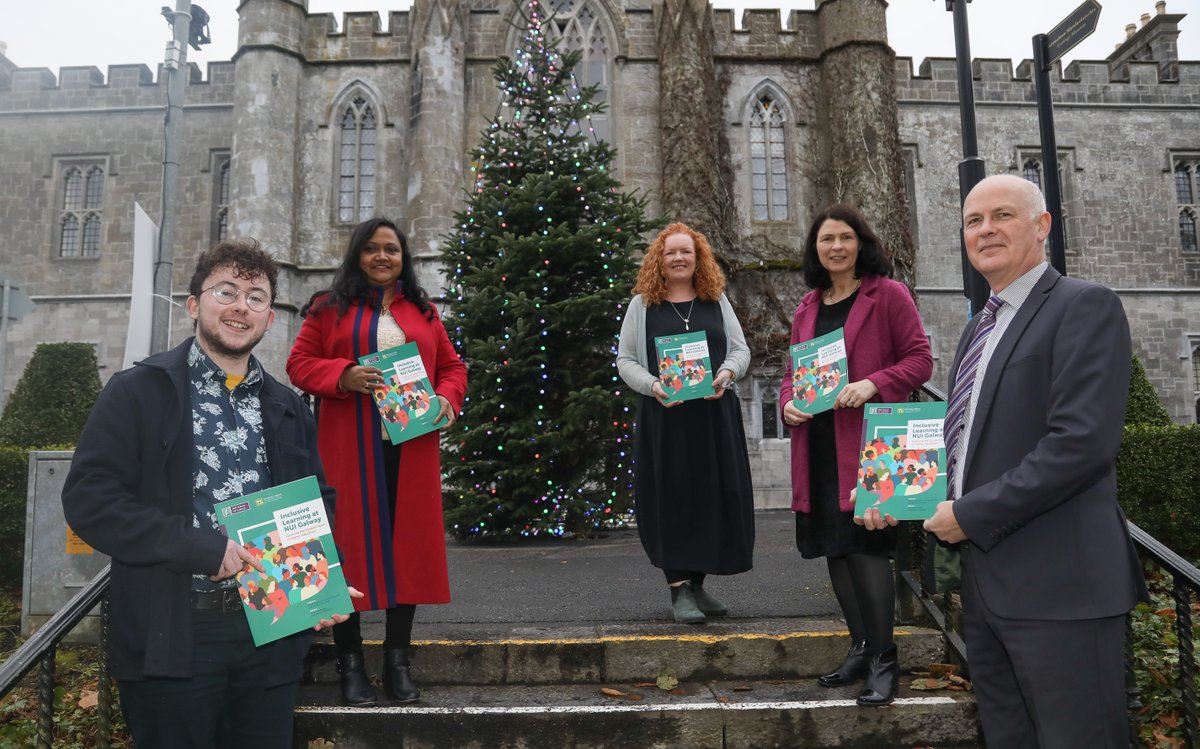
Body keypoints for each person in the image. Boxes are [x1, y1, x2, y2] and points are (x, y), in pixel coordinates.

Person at [863, 175, 1147, 746]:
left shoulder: (1083, 306)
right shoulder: (977, 329)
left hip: (1062, 589)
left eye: (1003, 216)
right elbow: (966, 442)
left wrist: (969, 514)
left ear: (1043, 227)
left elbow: (1080, 445)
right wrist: (895, 493)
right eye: (973, 220)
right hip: (988, 590)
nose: (986, 229)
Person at [61, 239, 354, 749]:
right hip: (174, 635)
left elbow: (316, 502)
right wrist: (199, 547)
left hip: (272, 630)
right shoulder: (138, 392)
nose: (242, 305)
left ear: (268, 319)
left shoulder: (288, 406)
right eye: (227, 291)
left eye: (257, 297)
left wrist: (322, 582)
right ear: (194, 304)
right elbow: (90, 499)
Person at [286, 217, 467, 706]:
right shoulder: (329, 308)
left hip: (410, 446)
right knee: (347, 546)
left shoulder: (423, 311)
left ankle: (397, 661)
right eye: (371, 249)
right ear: (357, 256)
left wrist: (447, 400)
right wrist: (343, 374)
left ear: (403, 257)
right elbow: (298, 363)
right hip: (349, 445)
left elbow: (451, 367)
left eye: (392, 249)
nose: (382, 257)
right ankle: (350, 664)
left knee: (404, 547)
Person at [779, 205, 932, 707]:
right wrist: (789, 405)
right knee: (836, 548)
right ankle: (861, 647)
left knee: (867, 550)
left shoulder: (887, 294)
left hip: (871, 443)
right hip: (820, 444)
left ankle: (886, 660)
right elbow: (792, 376)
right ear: (816, 249)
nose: (836, 247)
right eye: (827, 240)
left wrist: (873, 383)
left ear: (860, 243)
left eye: (845, 238)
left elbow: (920, 360)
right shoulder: (807, 306)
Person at [616, 222, 754, 625]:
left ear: (699, 259)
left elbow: (740, 350)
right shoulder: (643, 305)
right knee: (672, 497)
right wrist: (653, 384)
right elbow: (625, 360)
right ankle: (678, 589)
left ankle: (697, 584)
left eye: (686, 252)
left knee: (712, 496)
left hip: (713, 417)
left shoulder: (716, 301)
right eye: (670, 252)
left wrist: (726, 375)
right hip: (666, 420)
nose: (678, 258)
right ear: (659, 259)